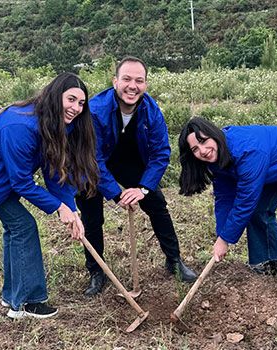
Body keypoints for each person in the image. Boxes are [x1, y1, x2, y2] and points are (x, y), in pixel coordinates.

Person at [0, 73, 99, 319]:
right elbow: (21, 182)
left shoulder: (49, 122)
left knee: (15, 227)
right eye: (71, 99)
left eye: (81, 103)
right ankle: (28, 302)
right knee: (23, 226)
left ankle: (12, 296)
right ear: (56, 95)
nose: (76, 108)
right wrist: (59, 208)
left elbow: (51, 170)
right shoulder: (21, 126)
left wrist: (70, 208)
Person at [178, 117, 277, 311]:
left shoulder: (247, 150)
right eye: (194, 149)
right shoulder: (217, 156)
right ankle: (275, 263)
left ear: (214, 134)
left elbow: (246, 199)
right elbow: (225, 196)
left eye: (203, 141)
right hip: (275, 168)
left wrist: (226, 239)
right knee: (259, 210)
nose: (202, 151)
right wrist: (221, 235)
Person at [76, 56, 197, 297]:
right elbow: (94, 157)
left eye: (139, 80)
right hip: (91, 163)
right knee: (92, 217)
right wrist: (116, 193)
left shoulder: (151, 111)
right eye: (127, 79)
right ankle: (97, 271)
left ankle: (174, 260)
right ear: (115, 81)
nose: (133, 86)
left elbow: (161, 153)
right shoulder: (96, 110)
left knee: (157, 204)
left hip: (129, 159)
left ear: (146, 84)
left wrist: (142, 188)